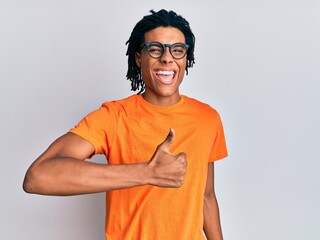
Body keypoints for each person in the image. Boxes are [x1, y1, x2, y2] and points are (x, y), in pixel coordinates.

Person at [23, 9, 228, 240]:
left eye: (177, 50)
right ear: (139, 58)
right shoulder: (114, 117)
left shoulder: (208, 118)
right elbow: (37, 177)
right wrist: (147, 173)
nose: (167, 58)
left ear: (185, 59)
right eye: (155, 49)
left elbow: (206, 196)